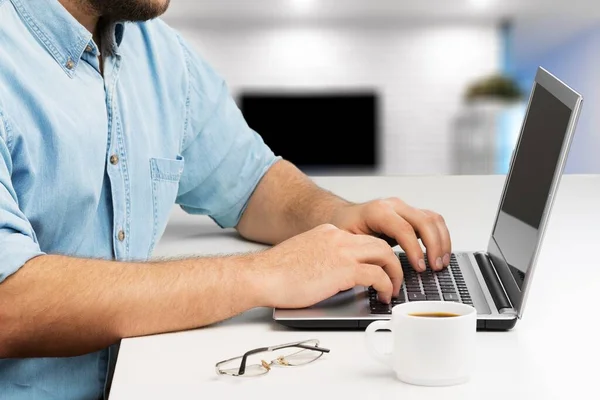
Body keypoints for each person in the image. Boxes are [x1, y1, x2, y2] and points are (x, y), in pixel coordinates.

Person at [0, 0, 452, 398]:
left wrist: (337, 215)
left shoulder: (160, 54)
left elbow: (251, 180)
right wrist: (266, 275)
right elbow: (9, 303)